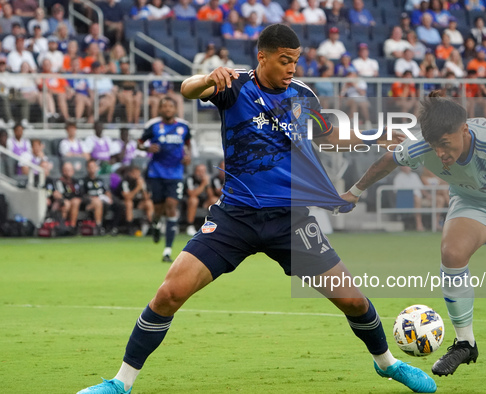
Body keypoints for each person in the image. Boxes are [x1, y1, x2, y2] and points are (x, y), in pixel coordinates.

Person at [76, 23, 437, 394]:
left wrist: (375, 137)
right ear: (262, 57)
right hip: (236, 216)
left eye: (295, 61)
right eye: (285, 61)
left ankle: (388, 365)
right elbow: (186, 90)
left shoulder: (301, 95)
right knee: (169, 293)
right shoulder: (234, 85)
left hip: (290, 220)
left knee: (354, 301)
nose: (292, 69)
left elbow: (328, 136)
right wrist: (205, 78)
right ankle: (121, 383)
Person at [343, 90, 486, 394]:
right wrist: (354, 192)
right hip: (473, 198)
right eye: (434, 146)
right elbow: (387, 161)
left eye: (445, 145)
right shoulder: (426, 144)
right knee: (452, 252)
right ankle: (465, 343)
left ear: (464, 130)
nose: (439, 154)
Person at [138, 97, 191, 262]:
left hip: (175, 173)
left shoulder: (183, 127)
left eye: (170, 106)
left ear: (175, 109)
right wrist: (147, 148)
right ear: (160, 110)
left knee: (171, 206)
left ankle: (167, 251)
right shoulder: (153, 126)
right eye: (164, 106)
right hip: (156, 173)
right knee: (158, 209)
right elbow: (139, 143)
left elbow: (188, 144)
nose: (167, 109)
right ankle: (155, 224)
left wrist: (187, 155)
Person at [80, 159, 111, 234]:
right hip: (89, 202)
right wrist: (92, 198)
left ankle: (113, 228)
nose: (92, 169)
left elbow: (106, 191)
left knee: (118, 204)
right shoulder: (84, 181)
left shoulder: (100, 180)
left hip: (102, 200)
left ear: (97, 168)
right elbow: (82, 195)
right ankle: (99, 226)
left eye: (94, 167)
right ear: (87, 168)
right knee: (97, 202)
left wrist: (108, 197)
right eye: (90, 167)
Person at [184, 163, 214, 236]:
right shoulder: (190, 179)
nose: (201, 174)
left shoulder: (207, 180)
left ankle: (213, 225)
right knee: (194, 200)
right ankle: (189, 225)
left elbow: (211, 196)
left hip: (204, 202)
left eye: (203, 171)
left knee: (214, 200)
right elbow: (192, 194)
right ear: (195, 171)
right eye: (199, 171)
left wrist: (208, 185)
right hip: (189, 202)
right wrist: (203, 184)